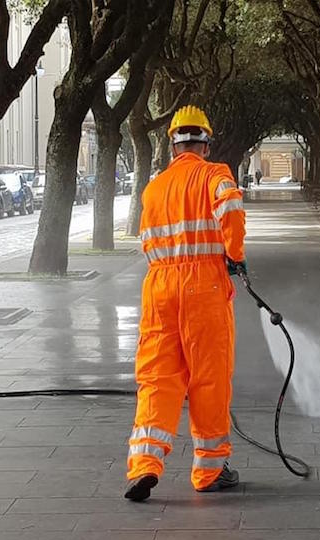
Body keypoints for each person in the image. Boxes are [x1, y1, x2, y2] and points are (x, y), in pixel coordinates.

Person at [125, 105, 246, 502]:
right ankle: (209, 470)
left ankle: (144, 464)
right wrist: (235, 254)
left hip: (158, 286)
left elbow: (146, 240)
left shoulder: (154, 187)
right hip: (203, 289)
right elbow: (231, 207)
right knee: (208, 378)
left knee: (158, 377)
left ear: (171, 145)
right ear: (205, 144)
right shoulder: (216, 175)